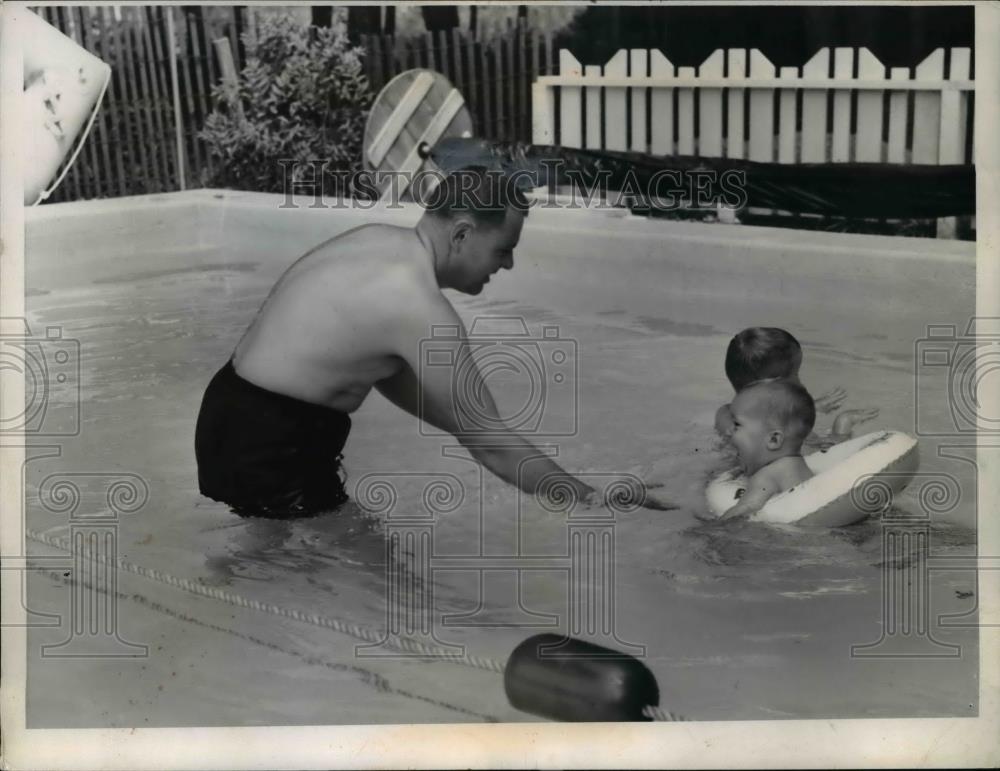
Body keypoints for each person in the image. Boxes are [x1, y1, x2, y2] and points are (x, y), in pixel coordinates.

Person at [195, 167, 673, 519]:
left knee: (292, 562)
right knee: (382, 592)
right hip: (273, 445)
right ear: (462, 234)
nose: (506, 266)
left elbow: (455, 419)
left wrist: (545, 471)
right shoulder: (419, 309)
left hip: (232, 413)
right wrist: (591, 500)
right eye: (503, 249)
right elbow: (491, 445)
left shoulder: (377, 242)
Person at [713, 327, 878, 447]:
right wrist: (816, 410)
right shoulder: (729, 416)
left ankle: (843, 425)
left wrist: (810, 407)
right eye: (795, 376)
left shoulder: (729, 413)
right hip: (798, 462)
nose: (801, 382)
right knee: (837, 442)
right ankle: (844, 424)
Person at [719, 380, 816, 520]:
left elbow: (746, 507)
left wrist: (710, 529)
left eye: (736, 424)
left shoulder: (766, 475)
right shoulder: (800, 466)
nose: (729, 431)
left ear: (773, 440)